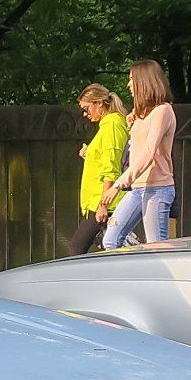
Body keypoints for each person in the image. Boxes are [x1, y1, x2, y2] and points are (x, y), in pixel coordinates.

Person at [101, 60, 176, 249]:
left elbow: (149, 153)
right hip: (137, 189)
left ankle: (165, 269)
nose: (128, 85)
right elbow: (136, 151)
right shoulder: (141, 114)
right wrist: (132, 126)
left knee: (156, 247)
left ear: (144, 82)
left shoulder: (163, 111)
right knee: (110, 240)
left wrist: (118, 184)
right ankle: (133, 268)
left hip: (157, 189)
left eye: (132, 80)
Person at [69, 84, 129, 256]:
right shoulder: (107, 126)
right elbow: (105, 158)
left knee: (77, 247)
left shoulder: (112, 126)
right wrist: (89, 154)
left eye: (86, 108)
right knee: (108, 250)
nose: (85, 114)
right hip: (99, 201)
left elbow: (111, 168)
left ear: (99, 103)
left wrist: (103, 205)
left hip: (104, 202)